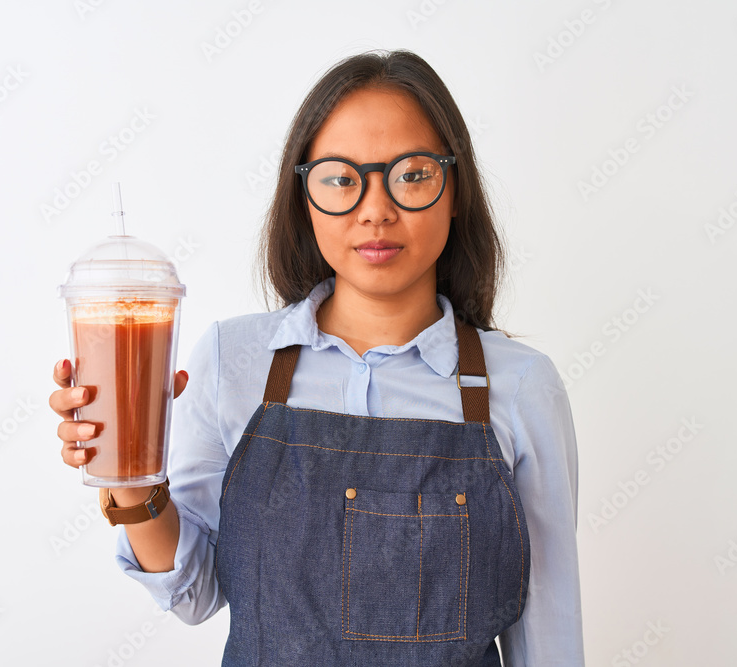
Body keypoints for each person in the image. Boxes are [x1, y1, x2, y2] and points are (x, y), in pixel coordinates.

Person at [50, 49, 584, 666]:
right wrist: (134, 479)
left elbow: (549, 638)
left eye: (411, 174)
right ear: (304, 197)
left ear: (455, 189)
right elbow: (193, 593)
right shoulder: (232, 360)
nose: (376, 209)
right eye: (340, 178)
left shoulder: (519, 387)